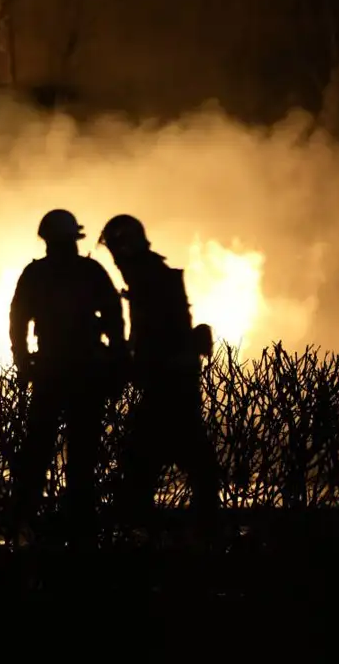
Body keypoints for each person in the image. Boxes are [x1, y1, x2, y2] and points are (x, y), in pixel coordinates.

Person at [9, 208, 127, 548]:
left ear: (46, 239)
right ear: (75, 238)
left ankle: (25, 523)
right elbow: (115, 317)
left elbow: (18, 320)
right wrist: (117, 355)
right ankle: (80, 527)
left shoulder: (36, 274)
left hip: (50, 372)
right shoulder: (89, 272)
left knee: (38, 449)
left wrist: (21, 361)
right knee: (82, 455)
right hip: (85, 373)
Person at [97, 214, 220, 541]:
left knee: (155, 453)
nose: (114, 258)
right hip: (171, 379)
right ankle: (196, 524)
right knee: (176, 453)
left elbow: (157, 334)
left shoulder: (149, 277)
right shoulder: (148, 275)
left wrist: (126, 362)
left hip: (169, 381)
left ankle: (152, 529)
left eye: (115, 249)